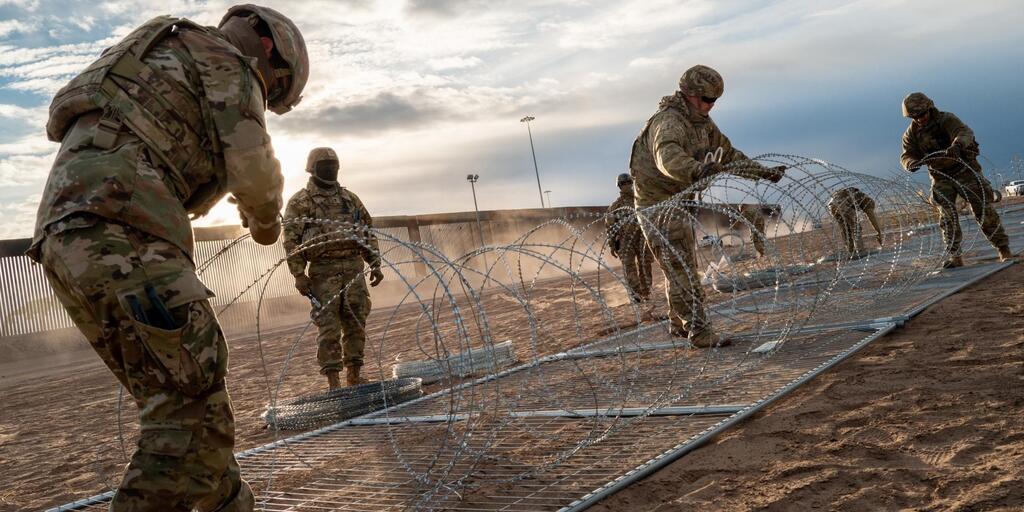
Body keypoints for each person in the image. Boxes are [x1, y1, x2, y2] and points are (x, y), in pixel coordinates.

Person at [27, 6, 308, 510]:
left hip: (65, 237)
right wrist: (267, 227)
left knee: (188, 403)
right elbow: (255, 172)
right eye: (276, 86)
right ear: (268, 48)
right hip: (124, 228)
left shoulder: (162, 53)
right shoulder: (228, 62)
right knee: (190, 414)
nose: (267, 92)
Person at [629, 64, 785, 348]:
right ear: (689, 94)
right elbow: (668, 157)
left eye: (715, 100)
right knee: (682, 271)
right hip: (658, 208)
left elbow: (728, 154)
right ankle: (698, 332)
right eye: (707, 99)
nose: (711, 106)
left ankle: (679, 324)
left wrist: (762, 172)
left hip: (679, 204)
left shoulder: (701, 124)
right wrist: (697, 171)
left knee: (679, 268)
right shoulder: (669, 122)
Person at [283, 147, 384, 389]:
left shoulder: (350, 199)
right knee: (329, 327)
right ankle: (333, 382)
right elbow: (290, 240)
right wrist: (298, 274)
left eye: (333, 164)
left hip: (353, 267)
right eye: (325, 165)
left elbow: (366, 230)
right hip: (322, 271)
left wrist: (374, 262)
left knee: (356, 322)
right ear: (312, 168)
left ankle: (355, 375)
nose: (330, 169)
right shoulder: (301, 201)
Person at [900, 92, 1014, 268]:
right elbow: (907, 154)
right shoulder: (912, 134)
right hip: (940, 176)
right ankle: (955, 256)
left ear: (929, 109)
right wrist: (911, 163)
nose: (919, 119)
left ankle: (1003, 249)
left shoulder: (947, 120)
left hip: (964, 170)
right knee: (946, 216)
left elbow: (964, 132)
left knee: (983, 210)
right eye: (915, 117)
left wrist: (957, 145)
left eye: (922, 115)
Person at [606, 173, 653, 311]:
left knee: (645, 264)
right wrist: (612, 244)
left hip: (642, 237)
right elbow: (610, 227)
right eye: (623, 183)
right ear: (619, 186)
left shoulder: (640, 200)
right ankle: (636, 294)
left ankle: (646, 291)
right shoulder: (615, 207)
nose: (626, 185)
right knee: (629, 267)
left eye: (628, 182)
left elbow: (650, 217)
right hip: (625, 240)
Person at [827, 187, 884, 257]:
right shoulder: (868, 201)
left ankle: (850, 250)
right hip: (842, 203)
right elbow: (872, 218)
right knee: (856, 227)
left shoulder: (858, 196)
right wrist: (878, 232)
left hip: (832, 204)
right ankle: (860, 250)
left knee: (845, 229)